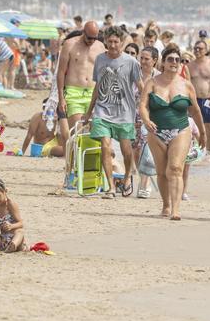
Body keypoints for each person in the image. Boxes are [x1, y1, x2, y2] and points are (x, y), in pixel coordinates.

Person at [139, 45, 205, 220]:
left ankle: (176, 209)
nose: (174, 62)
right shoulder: (152, 83)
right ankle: (166, 205)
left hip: (181, 130)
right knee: (161, 171)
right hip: (156, 132)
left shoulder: (186, 85)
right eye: (170, 59)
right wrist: (146, 121)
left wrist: (204, 134)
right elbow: (143, 106)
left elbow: (196, 111)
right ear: (163, 62)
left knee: (175, 168)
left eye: (178, 60)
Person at [86, 27, 141, 198]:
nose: (112, 45)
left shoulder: (132, 62)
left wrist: (144, 110)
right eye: (109, 41)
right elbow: (97, 86)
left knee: (126, 151)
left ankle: (126, 178)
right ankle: (110, 186)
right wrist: (89, 112)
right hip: (102, 111)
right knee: (105, 146)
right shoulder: (100, 60)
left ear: (122, 43)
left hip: (125, 113)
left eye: (116, 42)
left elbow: (141, 87)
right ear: (105, 42)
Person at [57, 21, 106, 131]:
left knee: (95, 132)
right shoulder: (70, 44)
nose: (92, 41)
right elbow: (61, 72)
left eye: (95, 38)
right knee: (77, 131)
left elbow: (103, 73)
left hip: (93, 92)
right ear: (83, 32)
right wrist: (61, 98)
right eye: (89, 38)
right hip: (74, 93)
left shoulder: (100, 46)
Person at [188, 39, 210, 156]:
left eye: (200, 48)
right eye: (195, 48)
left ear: (206, 50)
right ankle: (199, 151)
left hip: (209, 99)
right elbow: (188, 83)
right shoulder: (190, 65)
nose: (197, 50)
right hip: (195, 100)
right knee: (196, 127)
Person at [135, 46, 159, 199]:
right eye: (141, 58)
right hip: (131, 117)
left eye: (146, 59)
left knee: (146, 150)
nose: (143, 61)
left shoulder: (159, 78)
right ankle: (142, 179)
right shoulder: (133, 74)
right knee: (135, 152)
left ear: (154, 61)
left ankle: (145, 184)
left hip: (149, 117)